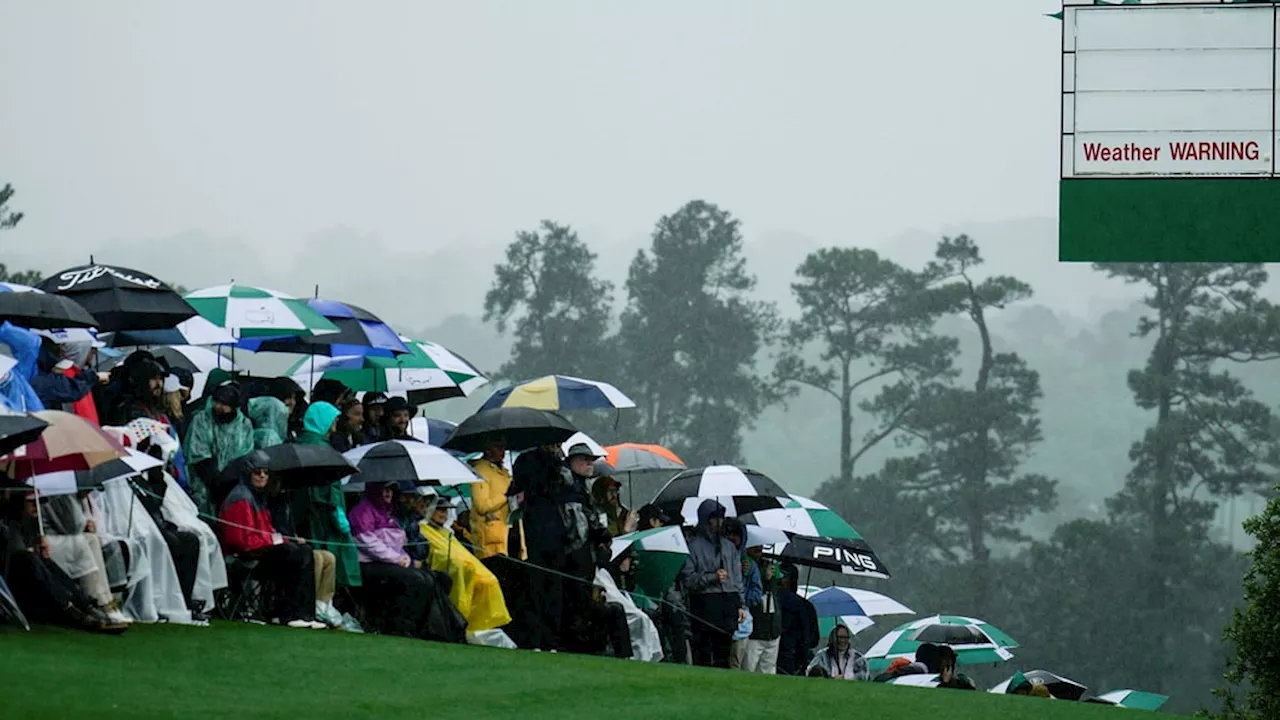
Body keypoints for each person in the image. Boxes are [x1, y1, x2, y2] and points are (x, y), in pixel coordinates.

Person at [217, 451, 322, 629]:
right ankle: (287, 613)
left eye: (266, 472)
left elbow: (267, 531)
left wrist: (285, 539)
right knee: (291, 554)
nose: (263, 475)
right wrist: (276, 541)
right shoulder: (240, 498)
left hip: (261, 551)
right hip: (244, 557)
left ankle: (305, 613)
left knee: (304, 550)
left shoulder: (257, 498)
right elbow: (242, 541)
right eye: (258, 472)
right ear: (248, 473)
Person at [291, 401, 362, 592]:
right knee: (328, 561)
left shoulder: (298, 444)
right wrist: (338, 512)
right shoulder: (322, 450)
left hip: (303, 516)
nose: (336, 423)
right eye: (334, 419)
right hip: (322, 517)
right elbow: (330, 488)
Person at [420, 495, 511, 634]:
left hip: (463, 566)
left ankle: (477, 626)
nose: (443, 514)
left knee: (489, 580)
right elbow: (436, 553)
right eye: (440, 510)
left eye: (446, 511)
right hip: (450, 568)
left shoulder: (446, 532)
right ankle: (457, 622)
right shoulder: (423, 528)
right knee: (464, 574)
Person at [262, 472, 339, 626]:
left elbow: (290, 528)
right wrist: (290, 539)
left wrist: (296, 537)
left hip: (292, 544)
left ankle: (321, 603)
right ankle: (305, 605)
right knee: (313, 557)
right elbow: (271, 531)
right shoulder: (266, 503)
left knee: (329, 557)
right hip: (278, 549)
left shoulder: (285, 501)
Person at [680, 499, 746, 668]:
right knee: (704, 653)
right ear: (705, 520)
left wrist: (740, 604)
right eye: (714, 518)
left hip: (728, 603)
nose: (719, 522)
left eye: (721, 518)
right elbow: (688, 580)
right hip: (705, 605)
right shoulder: (694, 547)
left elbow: (736, 577)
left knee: (724, 654)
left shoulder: (729, 547)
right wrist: (712, 577)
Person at [185, 380, 255, 514]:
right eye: (216, 402)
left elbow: (245, 454)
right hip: (203, 479)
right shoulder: (201, 419)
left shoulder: (244, 425)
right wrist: (214, 480)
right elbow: (198, 454)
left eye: (224, 404)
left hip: (233, 482)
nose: (218, 406)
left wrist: (229, 481)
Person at [28, 336, 103, 420]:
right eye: (92, 349)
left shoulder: (71, 372)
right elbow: (73, 395)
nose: (95, 353)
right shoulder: (63, 375)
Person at [469, 439, 511, 560]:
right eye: (498, 448)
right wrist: (506, 495)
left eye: (504, 448)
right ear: (488, 450)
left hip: (506, 532)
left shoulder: (504, 472)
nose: (502, 451)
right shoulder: (480, 471)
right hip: (489, 537)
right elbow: (482, 506)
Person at [743, 546, 782, 674]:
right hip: (755, 629)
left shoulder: (770, 565)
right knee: (748, 668)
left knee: (769, 670)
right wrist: (764, 579)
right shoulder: (744, 564)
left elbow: (776, 592)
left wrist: (771, 580)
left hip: (773, 629)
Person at [777, 563, 820, 675]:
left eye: (783, 576)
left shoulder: (806, 606)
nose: (780, 579)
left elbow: (813, 638)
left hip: (794, 656)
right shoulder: (805, 605)